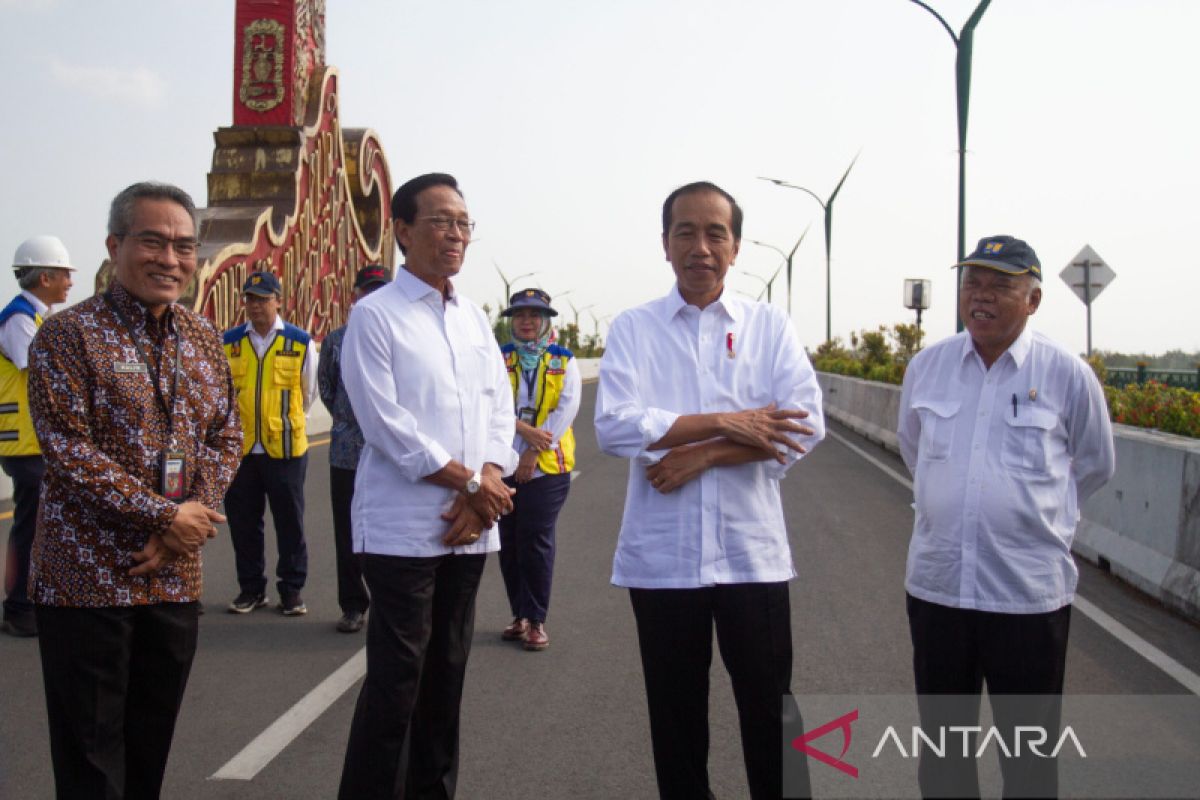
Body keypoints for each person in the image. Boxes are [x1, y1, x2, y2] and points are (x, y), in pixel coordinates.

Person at [595, 180, 824, 800]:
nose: (701, 246)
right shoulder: (636, 329)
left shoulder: (768, 326)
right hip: (663, 561)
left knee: (771, 711)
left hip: (752, 556)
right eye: (686, 232)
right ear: (665, 246)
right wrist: (730, 420)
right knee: (675, 720)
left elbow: (805, 424)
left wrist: (702, 453)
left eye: (714, 233)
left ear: (736, 245)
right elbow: (615, 425)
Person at [26, 181, 242, 798]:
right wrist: (161, 515)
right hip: (87, 579)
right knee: (92, 757)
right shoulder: (69, 336)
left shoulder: (202, 338)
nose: (169, 259)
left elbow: (228, 433)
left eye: (183, 246)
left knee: (151, 745)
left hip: (173, 575)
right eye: (152, 242)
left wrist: (188, 521)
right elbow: (68, 448)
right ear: (114, 246)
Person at [898, 235, 1116, 799]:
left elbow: (1092, 465)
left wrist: (1027, 520)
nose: (982, 296)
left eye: (1001, 284)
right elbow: (914, 451)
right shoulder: (928, 368)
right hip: (940, 589)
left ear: (1034, 299)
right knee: (943, 756)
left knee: (1029, 762)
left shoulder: (1068, 376)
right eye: (973, 282)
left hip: (1026, 597)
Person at [337, 172, 516, 799]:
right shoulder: (375, 316)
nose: (456, 233)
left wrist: (489, 477)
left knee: (447, 677)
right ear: (404, 231)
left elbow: (500, 405)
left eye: (464, 222)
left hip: (469, 529)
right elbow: (386, 424)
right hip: (402, 531)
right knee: (397, 683)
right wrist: (470, 483)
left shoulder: (472, 318)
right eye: (442, 220)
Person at [222, 271, 318, 616]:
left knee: (290, 522)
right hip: (242, 449)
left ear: (279, 300)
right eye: (250, 298)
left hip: (286, 449)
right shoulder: (229, 342)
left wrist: (283, 421)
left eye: (262, 299)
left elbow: (308, 393)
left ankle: (291, 591)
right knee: (244, 523)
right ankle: (251, 589)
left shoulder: (298, 341)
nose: (255, 305)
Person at [496, 288, 580, 651]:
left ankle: (537, 619)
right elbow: (492, 403)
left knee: (536, 540)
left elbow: (565, 410)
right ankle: (519, 614)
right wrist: (521, 430)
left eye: (534, 315)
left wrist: (532, 449)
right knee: (509, 543)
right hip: (502, 463)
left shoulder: (565, 359)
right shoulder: (499, 358)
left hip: (548, 466)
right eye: (520, 315)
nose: (527, 321)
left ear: (545, 321)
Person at [0, 235, 74, 638]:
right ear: (44, 276)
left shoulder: (36, 317)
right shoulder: (19, 320)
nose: (69, 283)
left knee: (41, 524)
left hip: (38, 440)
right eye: (64, 274)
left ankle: (31, 599)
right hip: (26, 441)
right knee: (30, 525)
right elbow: (42, 370)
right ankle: (17, 607)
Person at [317, 264, 391, 634]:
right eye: (368, 290)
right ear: (355, 295)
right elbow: (327, 391)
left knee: (387, 531)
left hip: (391, 455)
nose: (373, 296)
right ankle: (352, 605)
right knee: (347, 532)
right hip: (347, 453)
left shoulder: (401, 336)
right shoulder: (336, 341)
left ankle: (388, 603)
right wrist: (350, 424)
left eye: (381, 290)